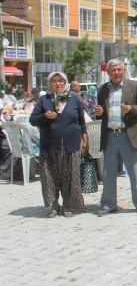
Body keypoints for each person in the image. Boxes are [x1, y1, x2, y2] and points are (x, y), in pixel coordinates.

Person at [94, 59, 137, 216]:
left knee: (134, 171)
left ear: (124, 70)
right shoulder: (103, 89)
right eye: (113, 70)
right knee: (109, 173)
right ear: (108, 72)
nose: (117, 72)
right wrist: (99, 113)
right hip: (110, 135)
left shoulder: (135, 86)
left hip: (128, 134)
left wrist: (131, 109)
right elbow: (101, 112)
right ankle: (108, 204)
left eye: (119, 69)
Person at [29, 72, 88, 218]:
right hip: (50, 144)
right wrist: (45, 116)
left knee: (69, 175)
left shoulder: (74, 98)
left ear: (65, 82)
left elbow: (81, 120)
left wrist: (85, 138)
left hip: (71, 143)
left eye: (61, 81)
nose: (58, 84)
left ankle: (68, 204)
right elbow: (33, 120)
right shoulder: (44, 100)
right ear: (50, 84)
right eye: (54, 81)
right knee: (50, 176)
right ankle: (54, 205)